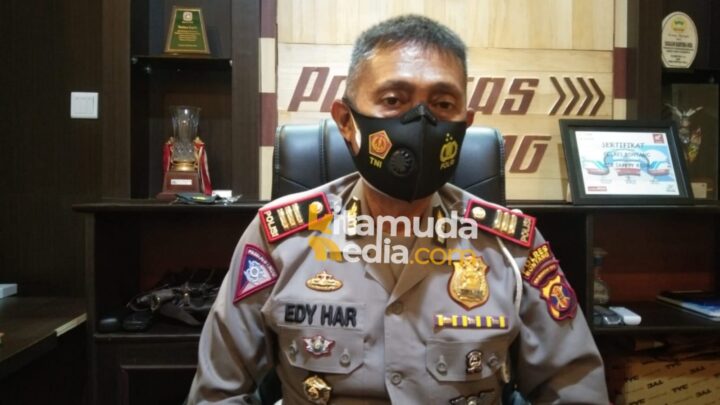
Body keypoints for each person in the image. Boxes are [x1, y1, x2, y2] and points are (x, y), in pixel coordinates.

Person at [188, 15, 609, 404]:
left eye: (443, 104)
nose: (421, 121)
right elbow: (218, 393)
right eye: (393, 99)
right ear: (346, 122)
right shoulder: (279, 239)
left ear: (463, 126)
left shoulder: (509, 247)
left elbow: (574, 388)